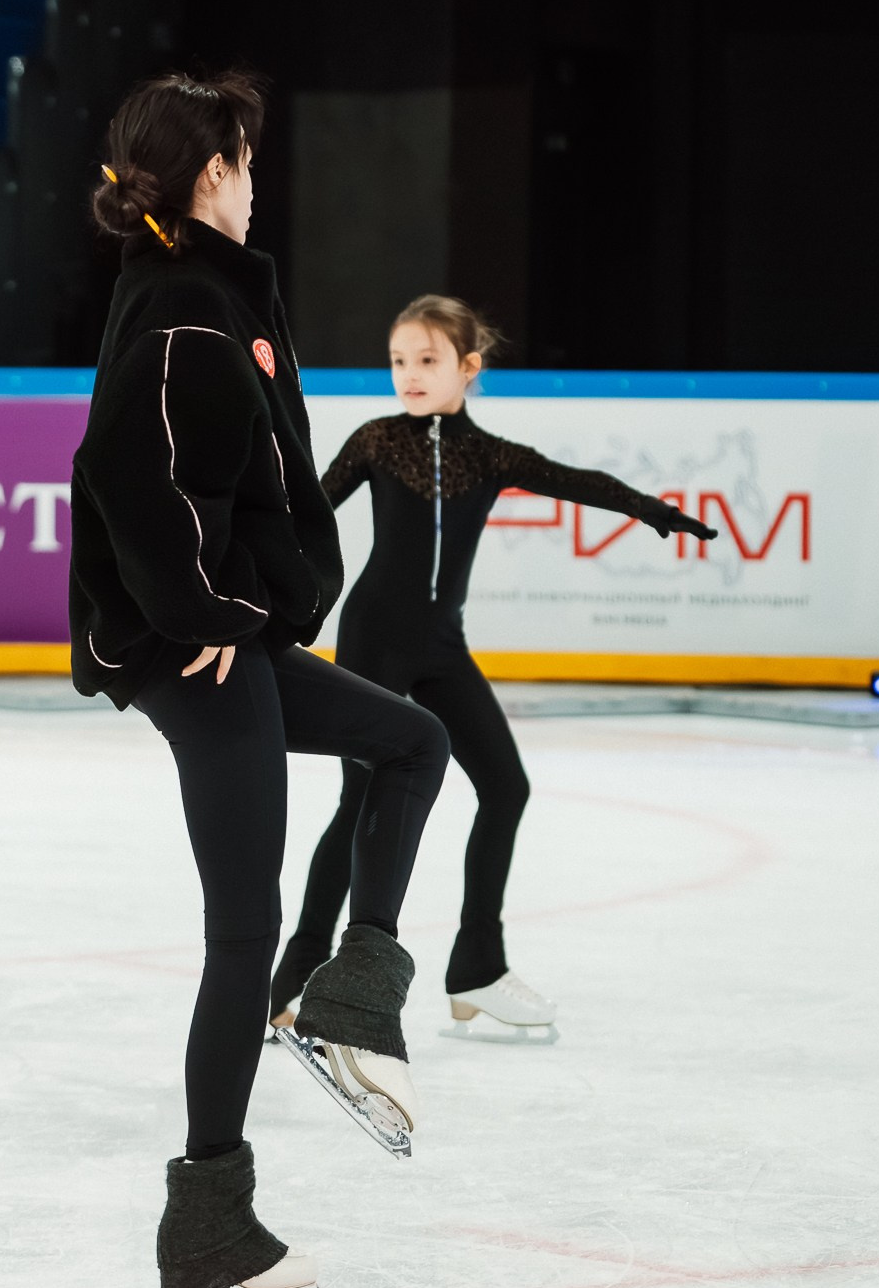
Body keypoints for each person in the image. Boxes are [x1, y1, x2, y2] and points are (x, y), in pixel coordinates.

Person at [68, 71, 455, 1288]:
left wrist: (232, 606)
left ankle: (348, 996)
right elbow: (129, 480)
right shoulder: (184, 308)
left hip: (224, 629)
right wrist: (202, 616)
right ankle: (211, 1227)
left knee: (409, 741)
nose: (250, 177)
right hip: (196, 648)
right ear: (197, 180)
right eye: (233, 160)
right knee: (241, 928)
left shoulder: (210, 296)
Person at [268, 297, 718, 1043]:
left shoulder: (491, 454)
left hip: (442, 644)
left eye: (427, 360)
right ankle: (298, 977)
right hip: (375, 638)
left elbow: (577, 481)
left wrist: (648, 508)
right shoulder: (378, 440)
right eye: (399, 360)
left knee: (505, 787)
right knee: (359, 801)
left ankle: (476, 966)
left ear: (468, 368)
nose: (408, 375)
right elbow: (308, 514)